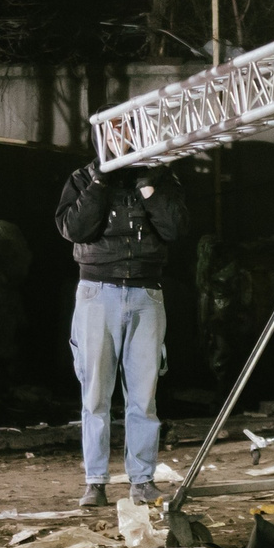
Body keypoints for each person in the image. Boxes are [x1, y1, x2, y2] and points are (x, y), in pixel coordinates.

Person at [55, 157, 192, 507]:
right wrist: (100, 183)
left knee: (144, 397)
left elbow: (175, 229)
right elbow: (74, 228)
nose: (123, 143)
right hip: (97, 291)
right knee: (96, 394)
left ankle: (142, 480)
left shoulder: (161, 178)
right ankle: (95, 482)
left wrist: (148, 187)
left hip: (146, 291)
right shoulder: (83, 177)